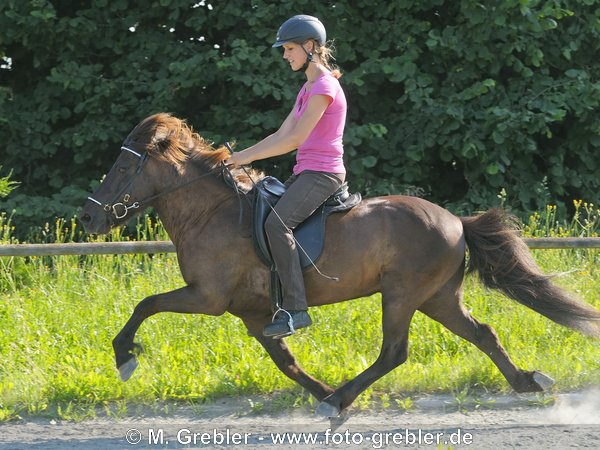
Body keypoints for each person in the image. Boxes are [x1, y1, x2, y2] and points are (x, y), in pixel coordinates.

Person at [227, 14, 347, 338]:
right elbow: (281, 133)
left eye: (289, 48)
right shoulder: (307, 88)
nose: (285, 55)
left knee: (276, 224)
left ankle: (296, 310)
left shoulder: (323, 87)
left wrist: (246, 158)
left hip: (323, 174)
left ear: (310, 47)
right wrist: (239, 157)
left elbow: (294, 140)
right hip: (305, 172)